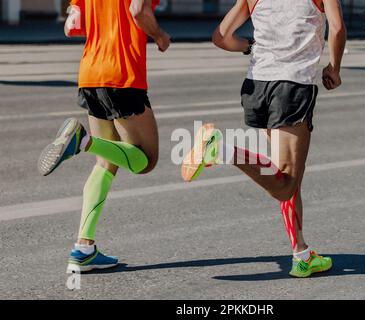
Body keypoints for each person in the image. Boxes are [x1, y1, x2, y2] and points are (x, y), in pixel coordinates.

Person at [181, 0, 346, 278]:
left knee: (286, 176)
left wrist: (250, 46)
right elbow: (338, 29)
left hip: (257, 85)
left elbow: (220, 38)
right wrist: (334, 67)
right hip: (292, 85)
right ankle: (222, 148)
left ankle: (301, 254)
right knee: (285, 184)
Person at [37, 0, 171, 273]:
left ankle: (83, 249)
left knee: (105, 163)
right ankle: (82, 141)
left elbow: (71, 26)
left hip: (90, 73)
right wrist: (159, 35)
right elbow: (138, 10)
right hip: (122, 75)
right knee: (145, 160)